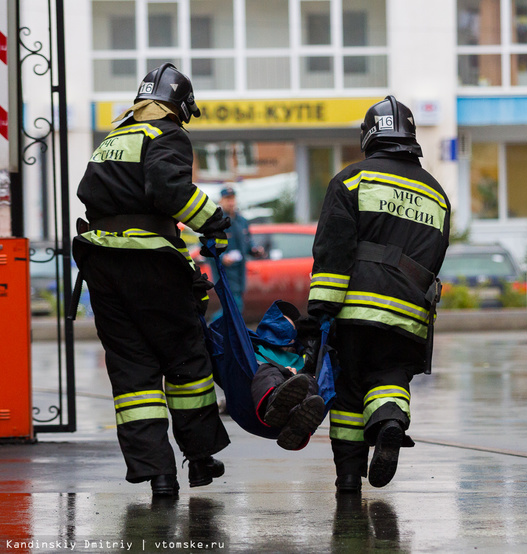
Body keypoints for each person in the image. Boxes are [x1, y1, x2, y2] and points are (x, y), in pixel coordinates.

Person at [72, 63, 231, 497]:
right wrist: (213, 219)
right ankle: (199, 458)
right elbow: (169, 191)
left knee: (132, 370)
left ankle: (158, 473)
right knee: (186, 363)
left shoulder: (113, 138)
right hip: (150, 265)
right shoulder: (167, 134)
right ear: (179, 105)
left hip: (101, 264)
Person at [307, 95, 451, 495]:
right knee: (389, 376)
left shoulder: (352, 180)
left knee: (351, 391)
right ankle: (390, 422)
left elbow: (333, 250)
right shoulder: (437, 194)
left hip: (355, 312)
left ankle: (349, 479)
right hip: (409, 317)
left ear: (369, 136)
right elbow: (434, 259)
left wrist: (320, 311)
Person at [249, 300, 325, 451]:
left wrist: (296, 374)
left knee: (308, 381)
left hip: (295, 387)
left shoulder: (299, 358)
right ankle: (275, 405)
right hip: (268, 389)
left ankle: (295, 425)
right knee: (270, 372)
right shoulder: (254, 348)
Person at [208, 186, 252, 320]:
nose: (230, 202)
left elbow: (248, 242)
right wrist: (222, 257)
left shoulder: (242, 220)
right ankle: (212, 327)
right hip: (225, 272)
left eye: (232, 199)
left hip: (240, 272)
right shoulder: (216, 221)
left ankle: (224, 337)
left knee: (235, 308)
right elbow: (207, 245)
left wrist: (255, 250)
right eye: (227, 199)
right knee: (235, 307)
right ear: (221, 200)